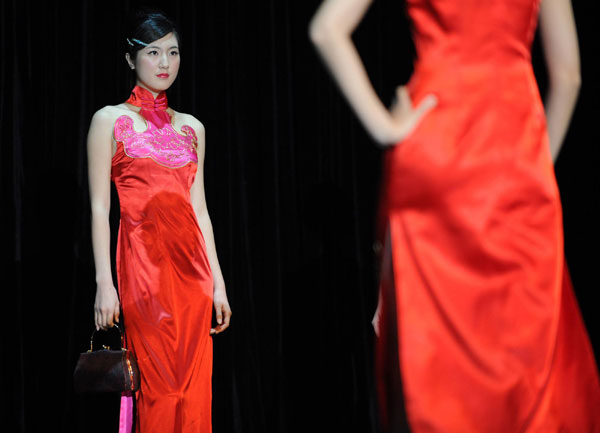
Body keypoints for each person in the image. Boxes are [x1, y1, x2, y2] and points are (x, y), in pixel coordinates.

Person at [309, 0, 600, 432]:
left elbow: (327, 29)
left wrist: (387, 126)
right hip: (513, 151)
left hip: (436, 146)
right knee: (524, 346)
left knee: (439, 350)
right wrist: (539, 166)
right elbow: (569, 76)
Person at [86, 7, 231, 433]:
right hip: (143, 271)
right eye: (153, 52)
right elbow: (99, 207)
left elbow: (200, 211)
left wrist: (219, 283)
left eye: (173, 52)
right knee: (159, 387)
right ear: (131, 59)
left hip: (193, 276)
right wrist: (103, 283)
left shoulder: (192, 128)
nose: (165, 63)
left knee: (193, 388)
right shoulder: (109, 121)